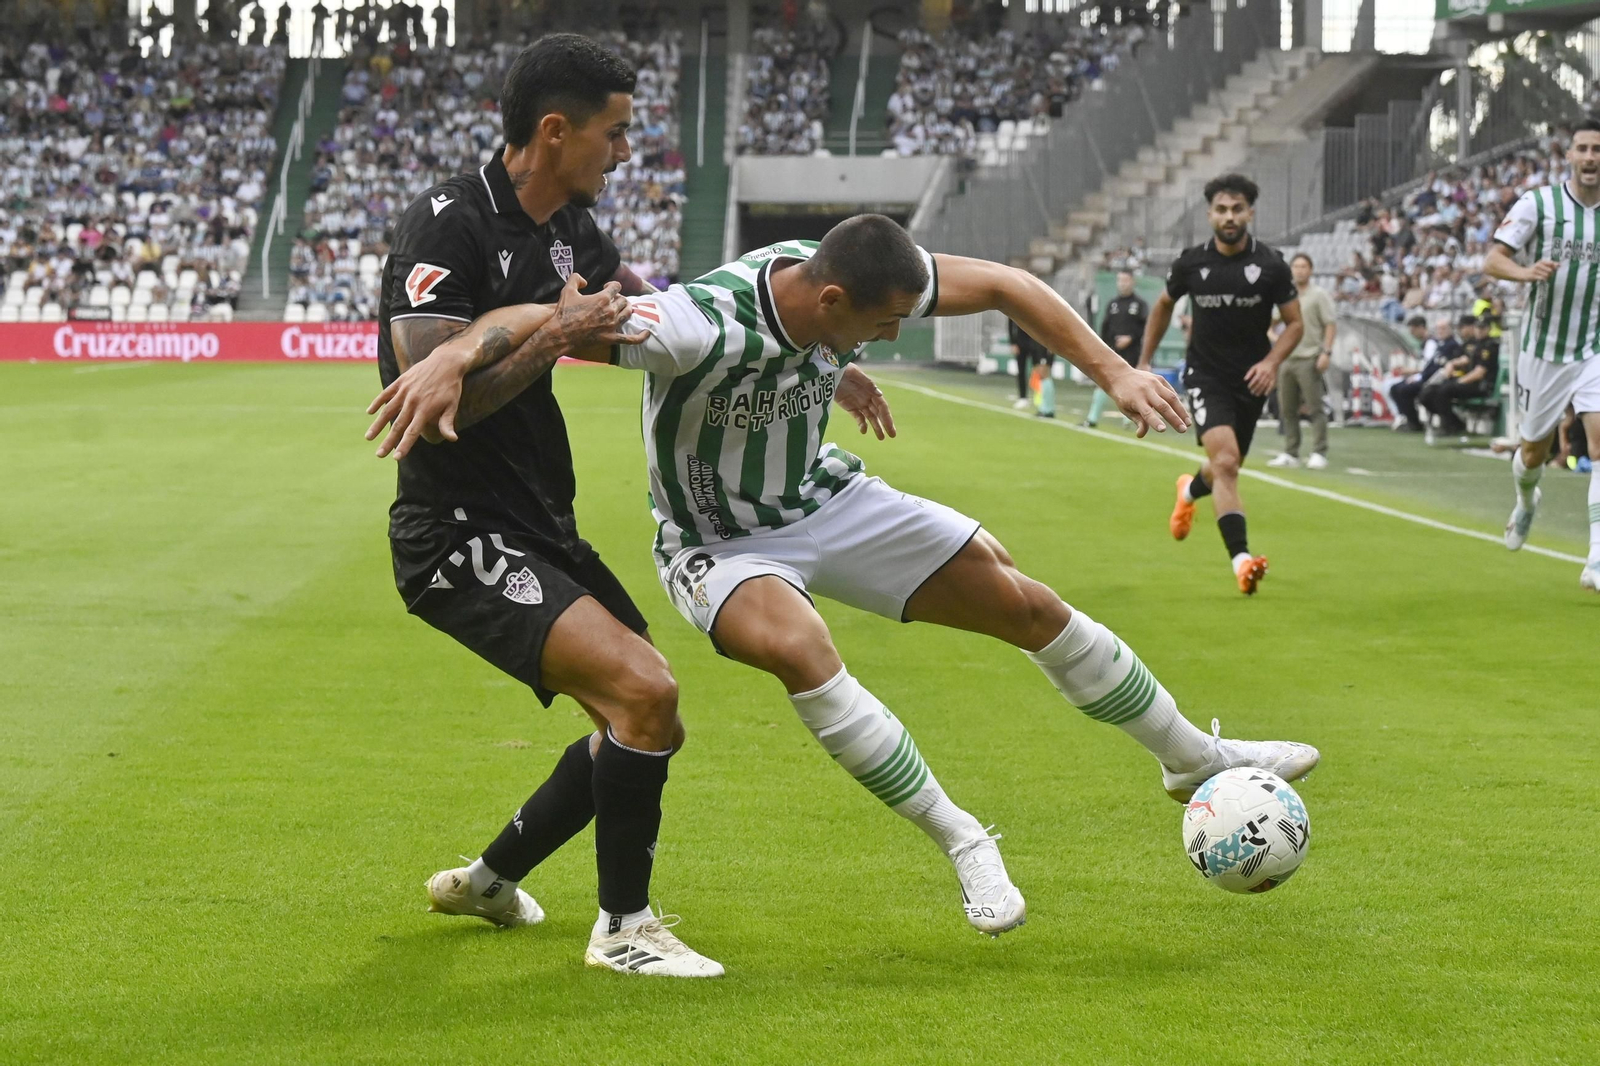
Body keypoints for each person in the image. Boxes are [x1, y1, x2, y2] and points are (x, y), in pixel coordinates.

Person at [371, 215, 1322, 938]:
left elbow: (1004, 284)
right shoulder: (699, 324)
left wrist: (1113, 373)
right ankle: (965, 840)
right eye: (879, 328)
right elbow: (554, 319)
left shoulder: (839, 274)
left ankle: (1192, 758)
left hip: (824, 499)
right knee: (802, 649)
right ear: (832, 302)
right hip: (719, 543)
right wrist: (455, 350)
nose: (887, 339)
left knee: (1022, 601)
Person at [363, 34, 722, 977]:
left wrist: (786, 355)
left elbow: (653, 308)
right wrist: (555, 329)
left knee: (645, 720)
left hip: (539, 525)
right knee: (645, 696)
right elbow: (439, 405)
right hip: (454, 533)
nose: (624, 151)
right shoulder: (449, 224)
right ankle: (625, 930)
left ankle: (488, 880)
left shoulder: (571, 230)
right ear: (554, 130)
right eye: (614, 132)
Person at [1138, 174, 1304, 595]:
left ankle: (1189, 491)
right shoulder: (1191, 263)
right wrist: (1141, 364)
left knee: (1224, 466)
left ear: (1250, 212)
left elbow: (1295, 324)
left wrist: (1271, 361)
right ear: (1210, 213)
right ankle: (1242, 563)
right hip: (1205, 375)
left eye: (1237, 209)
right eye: (1221, 209)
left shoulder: (1271, 265)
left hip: (1252, 380)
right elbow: (1162, 306)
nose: (1229, 217)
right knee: (1227, 463)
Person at [1485, 118, 1600, 590]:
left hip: (1594, 345)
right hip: (1544, 350)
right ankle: (1527, 503)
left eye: (1598, 149)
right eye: (1583, 149)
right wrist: (1526, 272)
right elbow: (1493, 259)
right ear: (1568, 155)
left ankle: (1596, 557)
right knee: (1534, 451)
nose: (1591, 157)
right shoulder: (1540, 204)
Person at [1267, 253, 1336, 469]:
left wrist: (1326, 352)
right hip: (1287, 358)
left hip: (1309, 357)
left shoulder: (1319, 295)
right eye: (1296, 266)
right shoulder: (1287, 295)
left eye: (1304, 266)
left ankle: (1319, 451)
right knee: (1286, 409)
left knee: (1315, 407)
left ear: (1311, 269)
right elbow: (1271, 322)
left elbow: (1330, 324)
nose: (1299, 270)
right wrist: (1276, 340)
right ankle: (1291, 452)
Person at [1417, 314, 1496, 444]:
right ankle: (1454, 422)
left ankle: (1449, 425)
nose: (1479, 331)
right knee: (1428, 392)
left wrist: (1459, 381)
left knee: (1444, 390)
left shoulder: (1489, 346)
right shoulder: (1473, 344)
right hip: (1466, 381)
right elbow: (1465, 359)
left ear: (1488, 329)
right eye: (1478, 328)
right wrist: (1453, 364)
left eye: (1483, 328)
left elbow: (1479, 373)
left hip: (1480, 385)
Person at [1086, 269, 1147, 427]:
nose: (1122, 283)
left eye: (1125, 280)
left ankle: (1129, 421)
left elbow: (1146, 328)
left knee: (1131, 385)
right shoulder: (1113, 304)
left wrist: (1131, 338)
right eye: (1120, 280)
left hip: (1133, 351)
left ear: (1132, 281)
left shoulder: (1139, 304)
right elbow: (1105, 328)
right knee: (1102, 382)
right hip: (1113, 351)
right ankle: (1092, 418)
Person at [1389, 316, 1455, 432]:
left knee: (1406, 390)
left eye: (1443, 329)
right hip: (1427, 377)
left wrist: (1420, 377)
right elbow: (1428, 366)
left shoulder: (1449, 345)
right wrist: (1417, 376)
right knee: (1396, 388)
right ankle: (1411, 420)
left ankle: (1417, 423)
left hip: (1435, 380)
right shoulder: (1439, 344)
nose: (1440, 332)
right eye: (1438, 329)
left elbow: (1437, 367)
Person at [1009, 317, 1051, 413]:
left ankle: (1039, 398)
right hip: (1020, 341)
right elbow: (1011, 322)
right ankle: (1022, 397)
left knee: (1038, 371)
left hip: (1035, 341)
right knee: (1021, 370)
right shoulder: (1015, 304)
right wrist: (1013, 342)